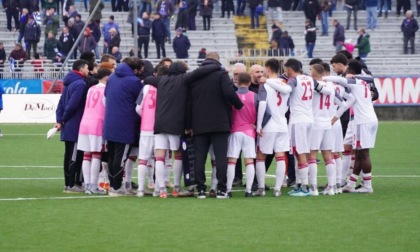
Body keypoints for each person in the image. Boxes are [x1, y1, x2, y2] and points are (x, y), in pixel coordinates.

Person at [186, 52, 243, 199]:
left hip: (199, 123)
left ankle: (200, 189)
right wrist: (239, 105)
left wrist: (189, 122)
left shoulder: (194, 76)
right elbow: (229, 93)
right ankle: (221, 189)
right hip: (220, 122)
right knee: (220, 157)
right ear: (218, 61)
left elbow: (188, 102)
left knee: (200, 157)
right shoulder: (221, 75)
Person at [325, 60, 378, 193]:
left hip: (362, 121)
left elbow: (338, 79)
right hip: (370, 119)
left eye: (348, 70)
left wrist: (322, 78)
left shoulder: (355, 81)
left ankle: (367, 186)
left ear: (352, 71)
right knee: (360, 153)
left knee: (364, 154)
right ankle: (351, 183)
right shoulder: (363, 81)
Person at [284, 58, 328, 196]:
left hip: (298, 120)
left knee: (300, 152)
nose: (286, 73)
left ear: (290, 70)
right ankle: (299, 184)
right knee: (300, 152)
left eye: (286, 70)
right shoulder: (310, 79)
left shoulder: (294, 80)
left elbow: (286, 90)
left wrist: (269, 82)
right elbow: (324, 90)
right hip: (309, 119)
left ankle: (304, 187)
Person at [103, 57, 144, 196]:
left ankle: (113, 185)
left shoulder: (112, 77)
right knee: (120, 158)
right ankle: (116, 187)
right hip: (125, 123)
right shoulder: (134, 81)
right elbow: (140, 100)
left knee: (112, 155)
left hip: (110, 122)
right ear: (135, 69)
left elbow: (106, 96)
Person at [254, 59, 292, 197]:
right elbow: (287, 105)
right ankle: (277, 189)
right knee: (280, 155)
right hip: (282, 124)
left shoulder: (265, 84)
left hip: (269, 125)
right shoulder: (285, 83)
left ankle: (261, 188)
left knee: (261, 156)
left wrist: (259, 125)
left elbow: (262, 104)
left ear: (268, 69)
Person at [55, 59, 90, 193]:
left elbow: (61, 103)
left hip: (67, 124)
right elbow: (73, 105)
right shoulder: (80, 84)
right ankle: (71, 185)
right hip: (75, 124)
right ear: (81, 69)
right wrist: (63, 119)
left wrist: (59, 119)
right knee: (74, 155)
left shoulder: (68, 83)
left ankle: (69, 183)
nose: (88, 70)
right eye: (87, 68)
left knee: (69, 154)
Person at [77, 68, 112, 195]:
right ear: (106, 77)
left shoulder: (91, 88)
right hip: (97, 123)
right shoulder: (106, 90)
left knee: (86, 155)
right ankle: (93, 185)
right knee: (96, 154)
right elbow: (108, 107)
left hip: (85, 122)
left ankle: (87, 186)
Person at [225, 72, 257, 197]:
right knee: (249, 161)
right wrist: (257, 125)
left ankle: (228, 190)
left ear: (237, 82)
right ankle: (248, 191)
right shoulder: (255, 96)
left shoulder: (232, 96)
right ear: (250, 82)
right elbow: (266, 113)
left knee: (232, 161)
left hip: (235, 131)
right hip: (249, 131)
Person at [308, 64, 335, 196]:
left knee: (312, 155)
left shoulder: (312, 86)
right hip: (327, 121)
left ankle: (313, 188)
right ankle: (331, 187)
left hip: (316, 121)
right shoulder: (330, 85)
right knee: (328, 156)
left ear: (313, 73)